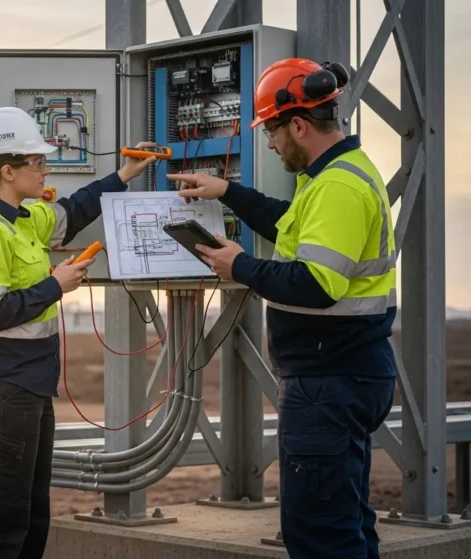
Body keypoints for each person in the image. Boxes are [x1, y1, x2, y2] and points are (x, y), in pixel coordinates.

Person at [166, 58, 397, 559]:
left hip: (328, 380)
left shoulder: (335, 187)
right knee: (347, 522)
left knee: (319, 535)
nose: (268, 142)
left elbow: (317, 284)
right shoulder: (334, 175)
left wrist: (240, 266)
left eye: (271, 130)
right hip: (344, 374)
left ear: (297, 124)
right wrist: (228, 192)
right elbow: (290, 225)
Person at [0, 106, 155, 558]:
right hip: (0, 386)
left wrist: (124, 173)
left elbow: (75, 210)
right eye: (36, 162)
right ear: (7, 171)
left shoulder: (23, 218)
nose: (45, 169)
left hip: (26, 385)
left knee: (30, 516)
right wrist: (54, 285)